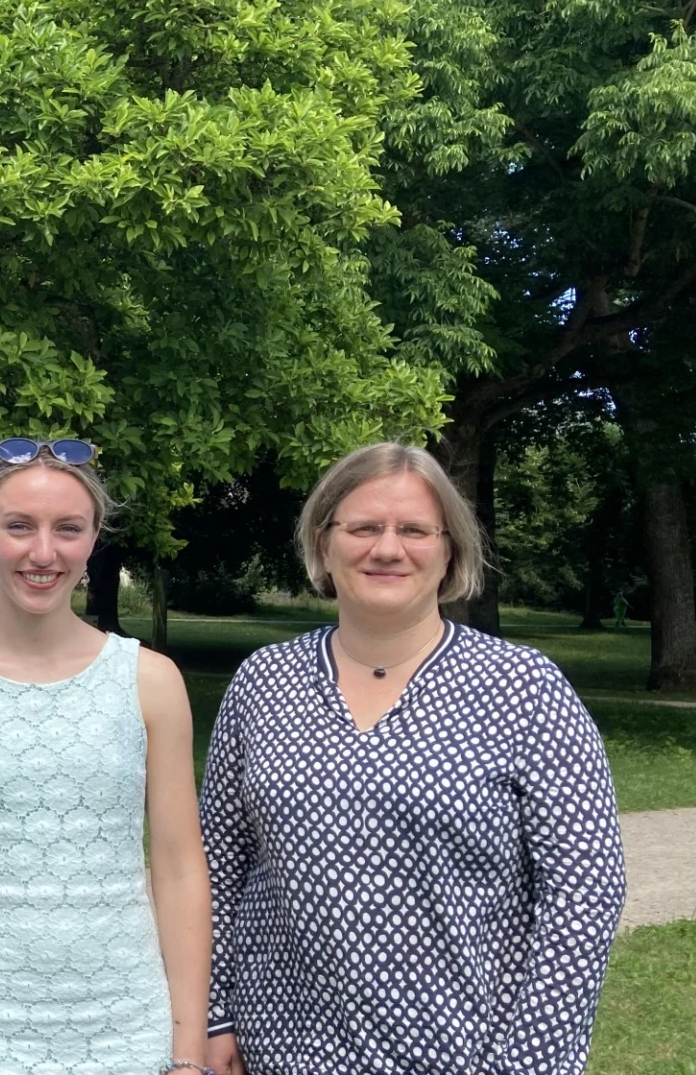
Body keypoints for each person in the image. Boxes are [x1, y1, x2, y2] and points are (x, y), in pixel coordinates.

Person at [201, 442, 628, 1075]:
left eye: (414, 530)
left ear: (450, 548)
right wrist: (216, 1017)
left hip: (464, 1052)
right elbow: (219, 864)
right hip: (275, 1047)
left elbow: (585, 892)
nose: (387, 548)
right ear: (324, 543)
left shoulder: (525, 689)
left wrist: (529, 1061)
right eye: (364, 527)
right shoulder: (265, 682)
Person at [0, 438, 213, 1075]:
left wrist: (187, 1052)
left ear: (94, 537)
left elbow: (177, 869)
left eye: (68, 528)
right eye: (19, 527)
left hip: (127, 1030)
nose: (43, 553)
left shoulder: (152, 682)